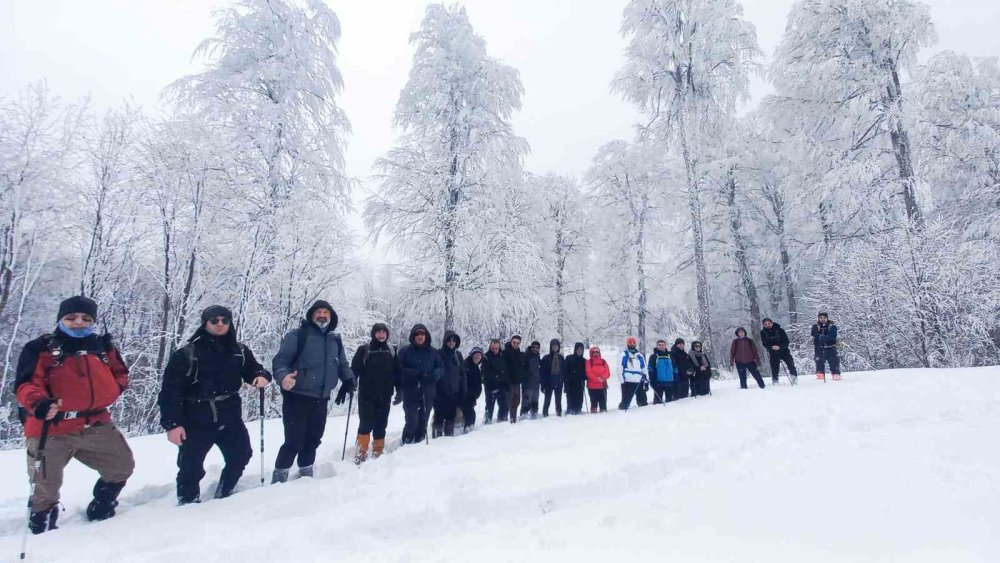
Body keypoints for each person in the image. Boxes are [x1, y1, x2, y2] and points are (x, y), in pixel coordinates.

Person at [16, 296, 135, 533]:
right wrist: (39, 402)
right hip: (52, 428)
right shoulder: (40, 348)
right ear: (61, 319)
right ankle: (43, 528)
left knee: (122, 466)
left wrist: (114, 389)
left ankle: (102, 506)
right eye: (71, 318)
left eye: (86, 318)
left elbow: (121, 373)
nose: (79, 322)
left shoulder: (103, 345)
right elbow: (26, 384)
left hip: (96, 423)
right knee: (45, 487)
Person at [159, 305, 270, 504]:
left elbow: (254, 369)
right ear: (205, 323)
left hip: (229, 415)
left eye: (225, 321)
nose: (220, 325)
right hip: (195, 418)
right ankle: (187, 502)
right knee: (190, 467)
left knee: (241, 455)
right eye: (214, 321)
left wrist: (261, 376)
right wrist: (172, 424)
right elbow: (170, 392)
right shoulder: (187, 354)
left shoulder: (239, 351)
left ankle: (224, 494)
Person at [271, 300, 355, 481]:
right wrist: (283, 377)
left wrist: (348, 379)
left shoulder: (335, 340)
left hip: (321, 398)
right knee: (293, 440)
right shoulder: (298, 336)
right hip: (297, 397)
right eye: (319, 312)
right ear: (311, 315)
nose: (322, 315)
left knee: (314, 439)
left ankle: (306, 471)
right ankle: (280, 474)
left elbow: (342, 363)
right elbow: (280, 361)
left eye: (326, 312)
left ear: (331, 317)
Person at [350, 323, 399, 464]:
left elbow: (397, 372)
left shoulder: (391, 350)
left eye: (384, 332)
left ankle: (378, 450)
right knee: (365, 423)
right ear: (373, 334)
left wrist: (400, 389)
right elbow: (355, 369)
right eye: (378, 332)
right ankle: (361, 450)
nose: (381, 335)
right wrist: (351, 383)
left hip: (385, 395)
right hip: (366, 395)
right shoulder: (364, 350)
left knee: (381, 423)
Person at [397, 324, 444, 443]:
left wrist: (432, 376)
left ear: (426, 336)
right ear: (413, 336)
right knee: (412, 421)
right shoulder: (405, 351)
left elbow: (440, 368)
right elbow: (398, 368)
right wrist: (415, 374)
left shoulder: (433, 352)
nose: (420, 336)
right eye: (417, 334)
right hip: (411, 392)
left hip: (428, 391)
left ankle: (420, 442)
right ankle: (407, 440)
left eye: (422, 334)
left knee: (423, 421)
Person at [433, 331, 466, 437]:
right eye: (449, 340)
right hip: (440, 393)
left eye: (454, 341)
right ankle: (436, 439)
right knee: (438, 418)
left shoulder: (458, 355)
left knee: (450, 418)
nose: (452, 343)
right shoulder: (438, 354)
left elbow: (462, 374)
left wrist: (463, 389)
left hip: (454, 393)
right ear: (445, 341)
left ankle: (448, 439)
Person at [761, 318, 797, 385]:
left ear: (772, 323)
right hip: (773, 352)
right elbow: (765, 343)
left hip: (784, 351)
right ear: (763, 325)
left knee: (790, 364)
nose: (767, 325)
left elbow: (786, 342)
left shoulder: (780, 330)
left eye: (769, 324)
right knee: (774, 367)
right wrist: (771, 347)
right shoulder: (763, 332)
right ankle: (775, 380)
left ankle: (794, 377)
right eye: (765, 325)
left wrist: (779, 347)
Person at [481, 339, 510, 423]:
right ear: (490, 347)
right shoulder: (486, 357)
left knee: (504, 406)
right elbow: (485, 373)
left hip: (502, 385)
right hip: (490, 386)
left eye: (496, 348)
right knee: (489, 407)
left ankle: (502, 422)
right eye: (493, 348)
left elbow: (505, 370)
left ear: (499, 347)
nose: (495, 350)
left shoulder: (502, 356)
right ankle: (487, 422)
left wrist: (506, 383)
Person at [619, 336, 648, 410]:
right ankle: (621, 414)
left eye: (633, 343)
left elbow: (644, 368)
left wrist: (646, 379)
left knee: (643, 401)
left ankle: (644, 414)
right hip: (628, 381)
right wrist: (622, 381)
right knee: (625, 402)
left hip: (639, 380)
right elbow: (619, 368)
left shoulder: (640, 355)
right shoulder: (623, 355)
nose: (632, 344)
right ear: (627, 344)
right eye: (630, 343)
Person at [812, 312, 841, 381]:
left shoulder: (832, 326)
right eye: (821, 318)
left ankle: (836, 376)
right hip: (819, 348)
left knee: (834, 362)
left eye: (824, 317)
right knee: (819, 362)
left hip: (831, 347)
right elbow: (813, 333)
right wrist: (820, 336)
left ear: (827, 318)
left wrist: (824, 338)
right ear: (818, 318)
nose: (822, 319)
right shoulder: (815, 326)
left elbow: (833, 336)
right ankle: (820, 377)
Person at [503, 336, 526, 423]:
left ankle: (513, 419)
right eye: (514, 342)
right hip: (508, 382)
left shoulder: (519, 353)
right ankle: (505, 420)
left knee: (516, 401)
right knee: (509, 401)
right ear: (511, 342)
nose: (516, 344)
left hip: (517, 382)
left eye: (518, 343)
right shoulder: (505, 353)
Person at [540, 339, 565, 417]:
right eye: (553, 346)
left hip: (559, 382)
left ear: (558, 347)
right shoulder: (546, 358)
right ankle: (545, 414)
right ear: (550, 347)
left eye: (556, 346)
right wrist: (543, 384)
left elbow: (564, 371)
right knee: (547, 400)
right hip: (549, 382)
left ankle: (559, 413)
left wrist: (563, 381)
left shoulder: (561, 358)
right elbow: (543, 372)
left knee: (558, 400)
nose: (555, 347)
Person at [462, 347, 484, 431]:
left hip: (471, 396)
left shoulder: (475, 367)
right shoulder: (466, 365)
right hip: (465, 396)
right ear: (472, 355)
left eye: (479, 355)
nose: (478, 357)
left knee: (470, 414)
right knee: (469, 414)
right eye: (476, 355)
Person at [648, 339, 675, 404]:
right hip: (658, 383)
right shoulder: (653, 356)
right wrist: (652, 380)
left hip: (669, 382)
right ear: (657, 346)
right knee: (657, 403)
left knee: (670, 402)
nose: (661, 346)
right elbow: (651, 369)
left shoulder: (670, 355)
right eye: (659, 345)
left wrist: (675, 378)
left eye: (662, 345)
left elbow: (674, 368)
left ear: (665, 346)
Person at [585, 346, 610, 413]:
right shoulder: (589, 362)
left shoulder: (603, 361)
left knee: (603, 402)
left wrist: (602, 378)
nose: (596, 353)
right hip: (592, 386)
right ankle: (594, 414)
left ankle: (603, 412)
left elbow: (607, 372)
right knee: (593, 402)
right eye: (594, 352)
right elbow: (588, 372)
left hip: (602, 385)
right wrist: (597, 379)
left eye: (597, 352)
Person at [564, 342, 587, 415]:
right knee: (570, 396)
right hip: (570, 382)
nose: (580, 351)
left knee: (579, 396)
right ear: (575, 349)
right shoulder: (569, 358)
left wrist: (584, 376)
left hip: (580, 382)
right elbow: (565, 370)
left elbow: (586, 372)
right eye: (579, 349)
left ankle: (578, 408)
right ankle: (570, 409)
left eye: (582, 349)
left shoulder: (584, 360)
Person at [521, 341, 542, 420]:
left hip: (536, 383)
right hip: (527, 383)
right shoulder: (526, 356)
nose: (535, 349)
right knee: (526, 402)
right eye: (534, 347)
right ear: (531, 347)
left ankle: (534, 416)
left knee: (535, 401)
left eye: (537, 348)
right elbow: (523, 369)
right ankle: (524, 416)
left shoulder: (537, 356)